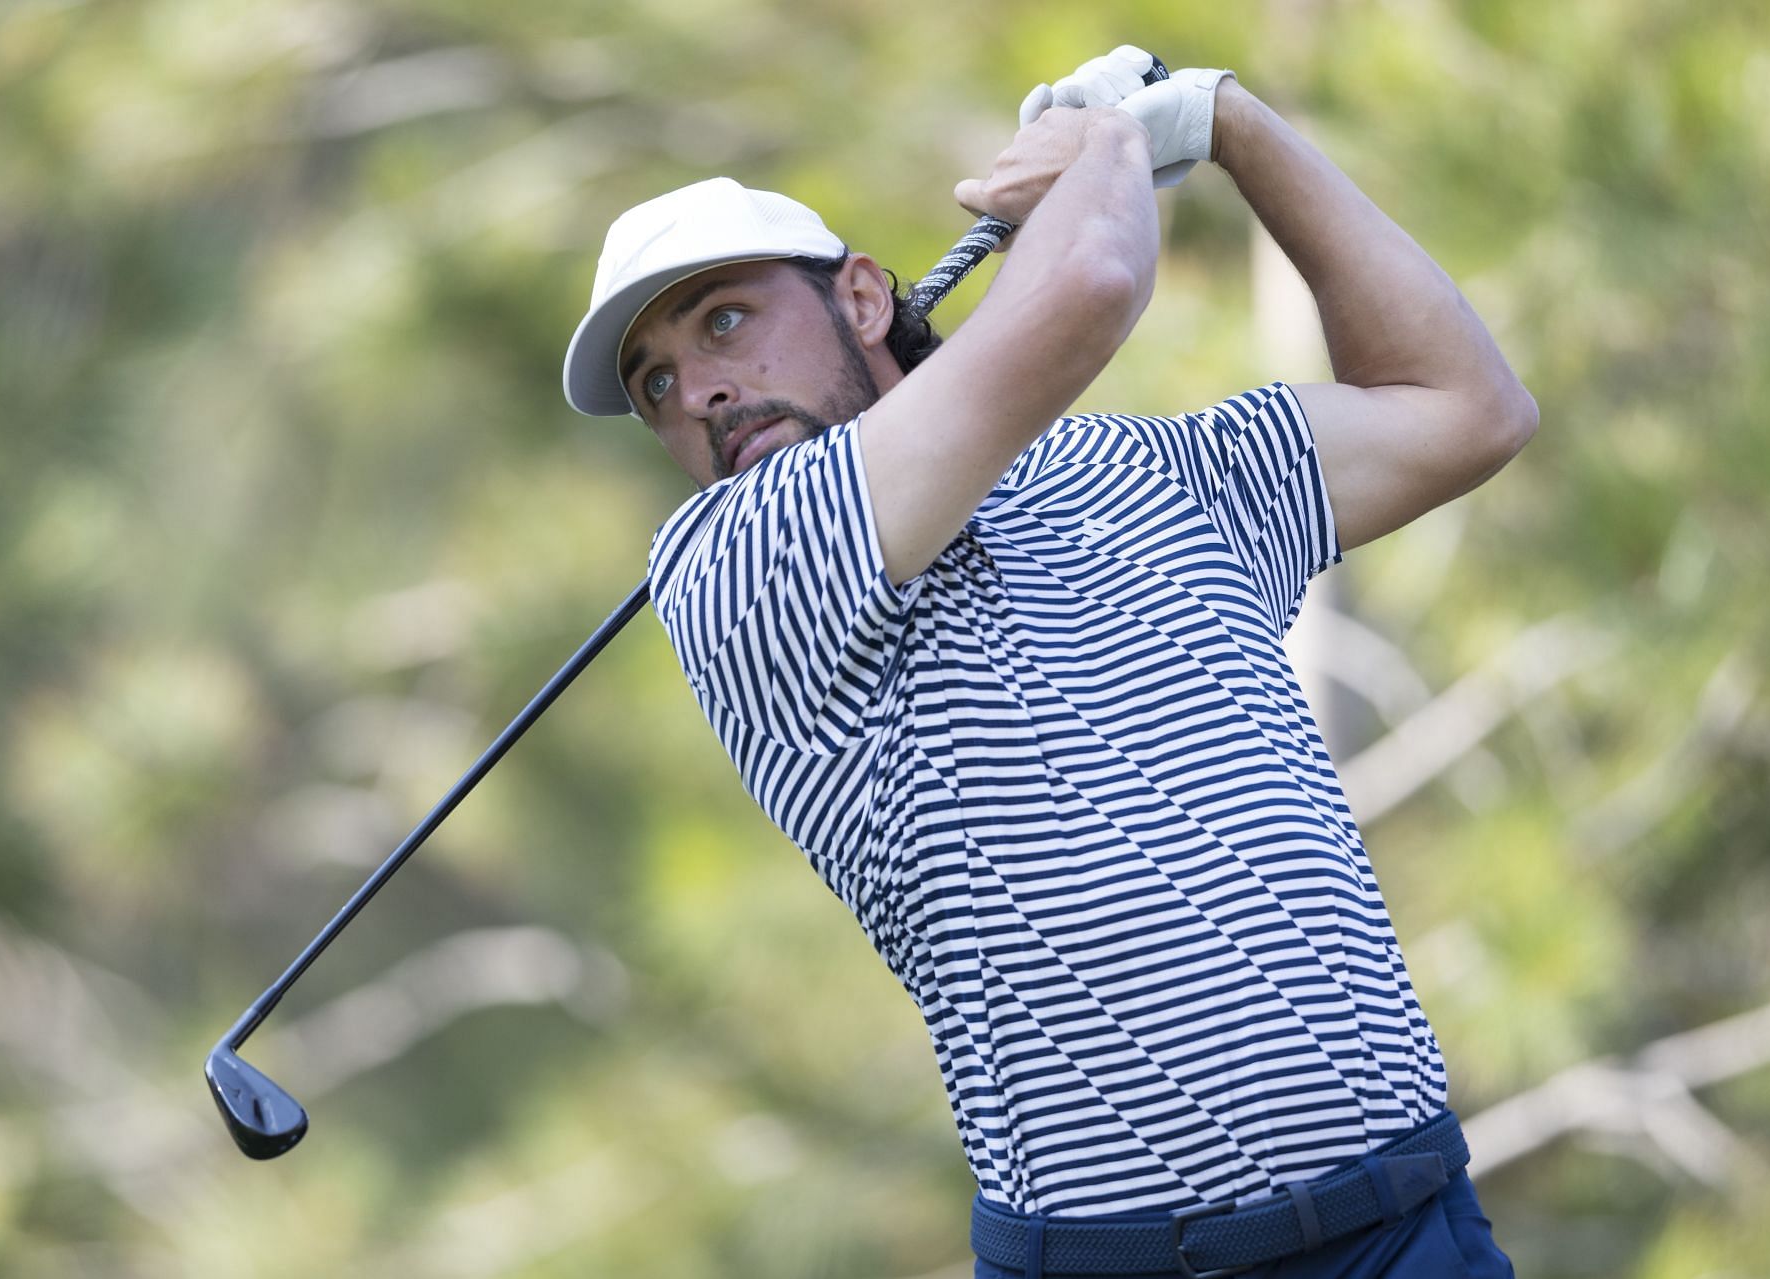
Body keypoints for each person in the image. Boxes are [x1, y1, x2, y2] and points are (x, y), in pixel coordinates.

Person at [563, 45, 1533, 1279]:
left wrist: (1234, 123)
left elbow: (1468, 406)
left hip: (1407, 1233)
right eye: (657, 383)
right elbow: (1091, 274)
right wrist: (1106, 144)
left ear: (863, 299)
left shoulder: (1149, 473)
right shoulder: (732, 568)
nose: (699, 388)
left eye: (727, 321)